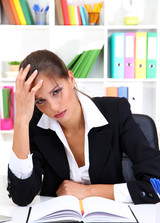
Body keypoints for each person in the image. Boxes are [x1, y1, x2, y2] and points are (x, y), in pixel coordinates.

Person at [7, 49, 160, 206]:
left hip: (112, 222)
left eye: (56, 91)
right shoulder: (35, 126)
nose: (53, 107)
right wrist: (20, 121)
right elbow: (21, 197)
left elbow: (156, 184)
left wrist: (88, 192)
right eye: (40, 101)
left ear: (71, 79)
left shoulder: (116, 112)